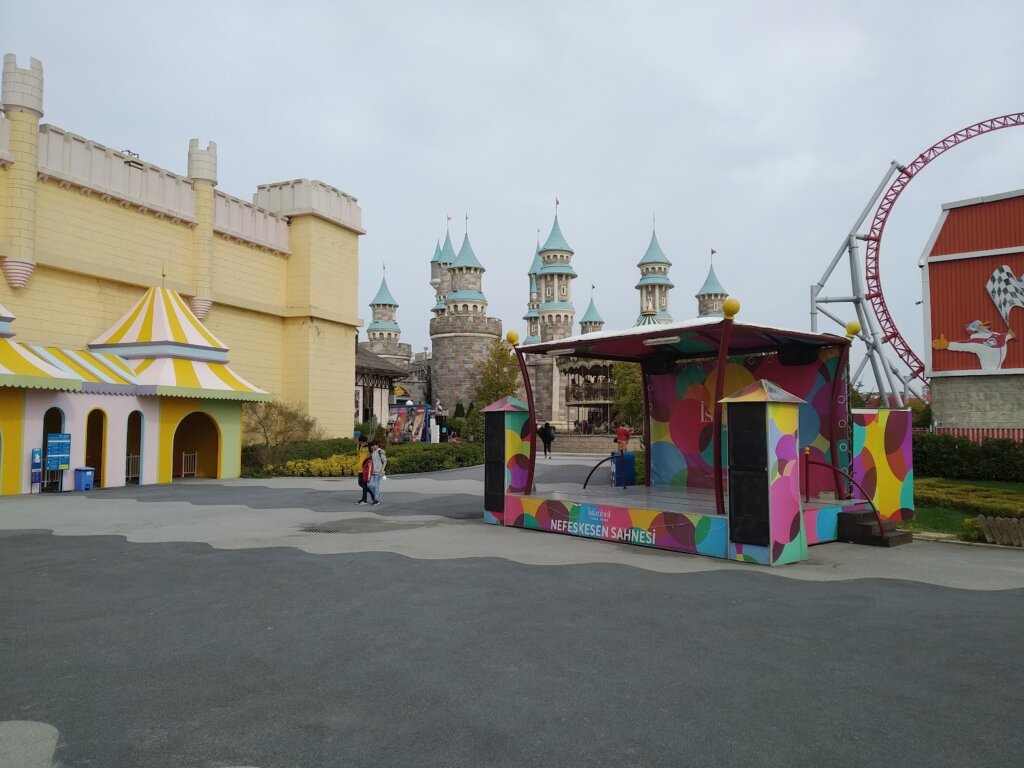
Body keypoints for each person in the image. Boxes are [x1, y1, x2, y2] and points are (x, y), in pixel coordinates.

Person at [369, 440, 388, 506]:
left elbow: (385, 461)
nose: (372, 446)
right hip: (372, 472)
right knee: (369, 484)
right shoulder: (372, 452)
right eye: (371, 445)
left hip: (379, 472)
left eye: (373, 445)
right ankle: (378, 494)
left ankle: (376, 500)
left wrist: (382, 470)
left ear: (377, 445)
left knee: (376, 485)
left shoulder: (380, 452)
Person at [355, 435, 371, 504]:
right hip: (360, 468)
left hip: (366, 468)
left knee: (364, 484)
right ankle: (372, 493)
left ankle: (364, 499)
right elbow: (358, 456)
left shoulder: (369, 447)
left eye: (363, 442)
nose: (362, 444)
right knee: (360, 483)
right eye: (360, 442)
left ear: (366, 441)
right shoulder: (359, 446)